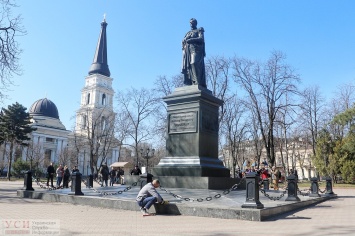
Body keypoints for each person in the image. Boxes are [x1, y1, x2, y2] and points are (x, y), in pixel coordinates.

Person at [181, 18, 206, 87]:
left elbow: (201, 39)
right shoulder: (188, 33)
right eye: (190, 23)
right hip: (188, 51)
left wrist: (191, 39)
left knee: (194, 63)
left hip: (196, 50)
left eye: (192, 23)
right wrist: (185, 39)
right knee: (188, 66)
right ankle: (192, 81)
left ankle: (197, 82)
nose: (191, 24)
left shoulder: (199, 30)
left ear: (195, 23)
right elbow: (183, 42)